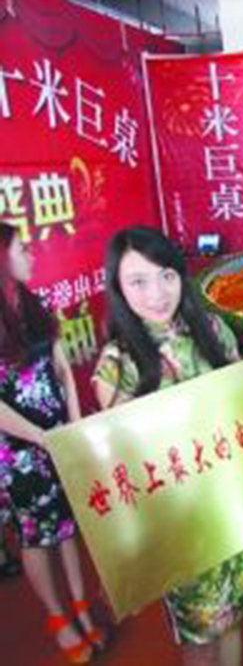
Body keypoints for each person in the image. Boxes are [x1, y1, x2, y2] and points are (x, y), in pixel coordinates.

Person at [91, 227, 243, 666]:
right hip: (178, 526)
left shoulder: (213, 330)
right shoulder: (118, 365)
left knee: (233, 618)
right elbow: (119, 464)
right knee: (200, 638)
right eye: (138, 281)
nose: (157, 293)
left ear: (180, 275)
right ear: (119, 289)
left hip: (232, 505)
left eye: (166, 275)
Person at [0, 223, 104, 663]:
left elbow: (62, 368)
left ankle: (80, 605)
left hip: (59, 437)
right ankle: (58, 617)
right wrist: (43, 438)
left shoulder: (35, 304)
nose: (31, 255)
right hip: (19, 453)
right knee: (36, 536)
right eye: (21, 249)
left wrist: (74, 425)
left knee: (66, 524)